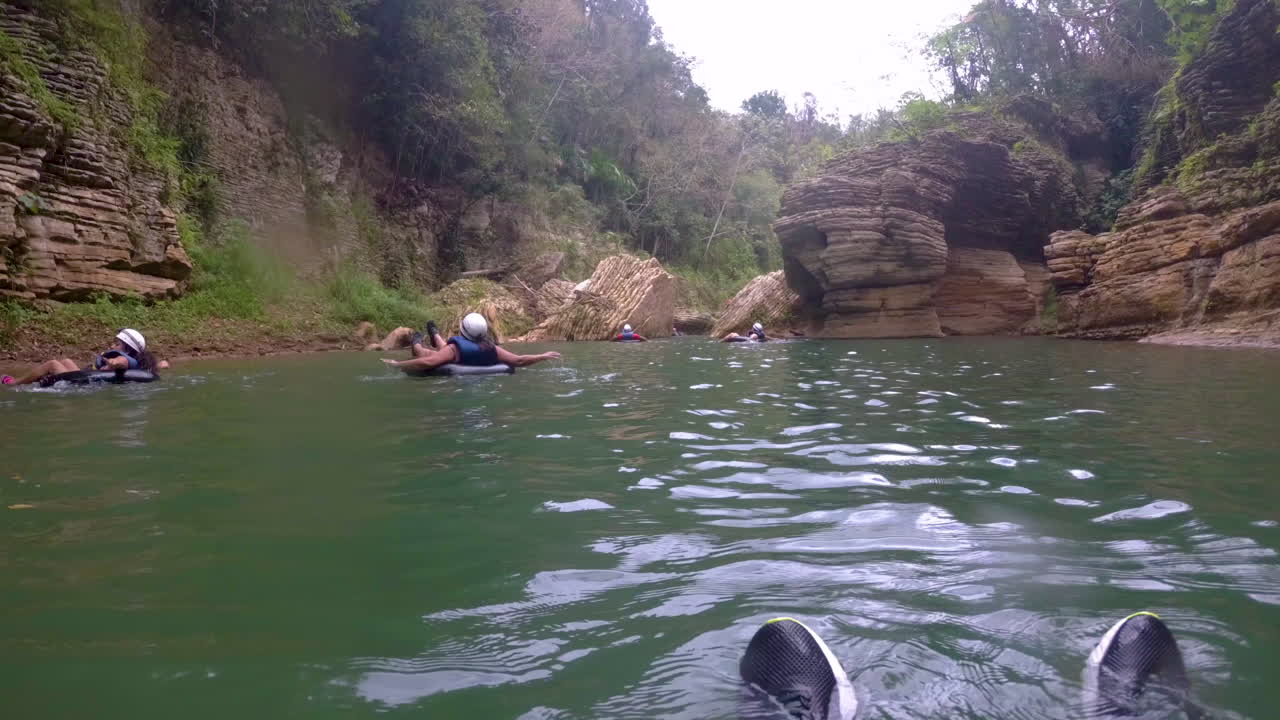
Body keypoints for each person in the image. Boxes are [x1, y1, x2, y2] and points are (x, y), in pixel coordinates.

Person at [381, 313, 560, 374]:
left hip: (450, 356)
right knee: (442, 346)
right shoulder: (493, 349)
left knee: (423, 352)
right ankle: (434, 333)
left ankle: (417, 340)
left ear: (464, 330)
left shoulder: (453, 349)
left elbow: (428, 363)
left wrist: (398, 364)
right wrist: (542, 356)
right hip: (453, 353)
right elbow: (519, 360)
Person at [2, 328, 167, 386]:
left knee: (53, 364)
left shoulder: (124, 359)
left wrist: (112, 361)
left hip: (85, 385)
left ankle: (14, 383)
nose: (112, 346)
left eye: (116, 343)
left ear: (127, 347)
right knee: (66, 361)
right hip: (86, 380)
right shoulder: (136, 361)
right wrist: (162, 365)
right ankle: (34, 380)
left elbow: (121, 363)